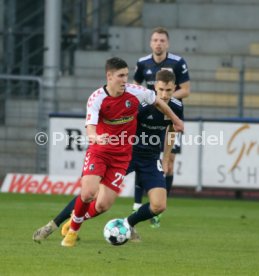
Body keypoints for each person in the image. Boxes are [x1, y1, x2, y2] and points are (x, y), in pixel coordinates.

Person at [33, 57, 183, 247]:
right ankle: (56, 225)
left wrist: (172, 134)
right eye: (121, 76)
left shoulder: (152, 98)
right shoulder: (104, 99)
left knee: (127, 205)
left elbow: (167, 122)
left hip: (135, 156)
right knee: (89, 193)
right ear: (109, 76)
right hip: (116, 151)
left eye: (127, 76)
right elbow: (91, 127)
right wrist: (96, 137)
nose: (125, 80)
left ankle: (124, 223)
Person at [133, 26, 190, 227]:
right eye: (155, 40)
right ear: (151, 43)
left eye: (162, 40)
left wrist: (164, 102)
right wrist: (152, 100)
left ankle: (157, 208)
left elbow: (186, 90)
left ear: (167, 43)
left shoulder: (177, 62)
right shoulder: (142, 63)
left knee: (169, 161)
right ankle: (137, 203)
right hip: (148, 115)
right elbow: (135, 86)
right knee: (142, 155)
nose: (158, 43)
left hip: (168, 117)